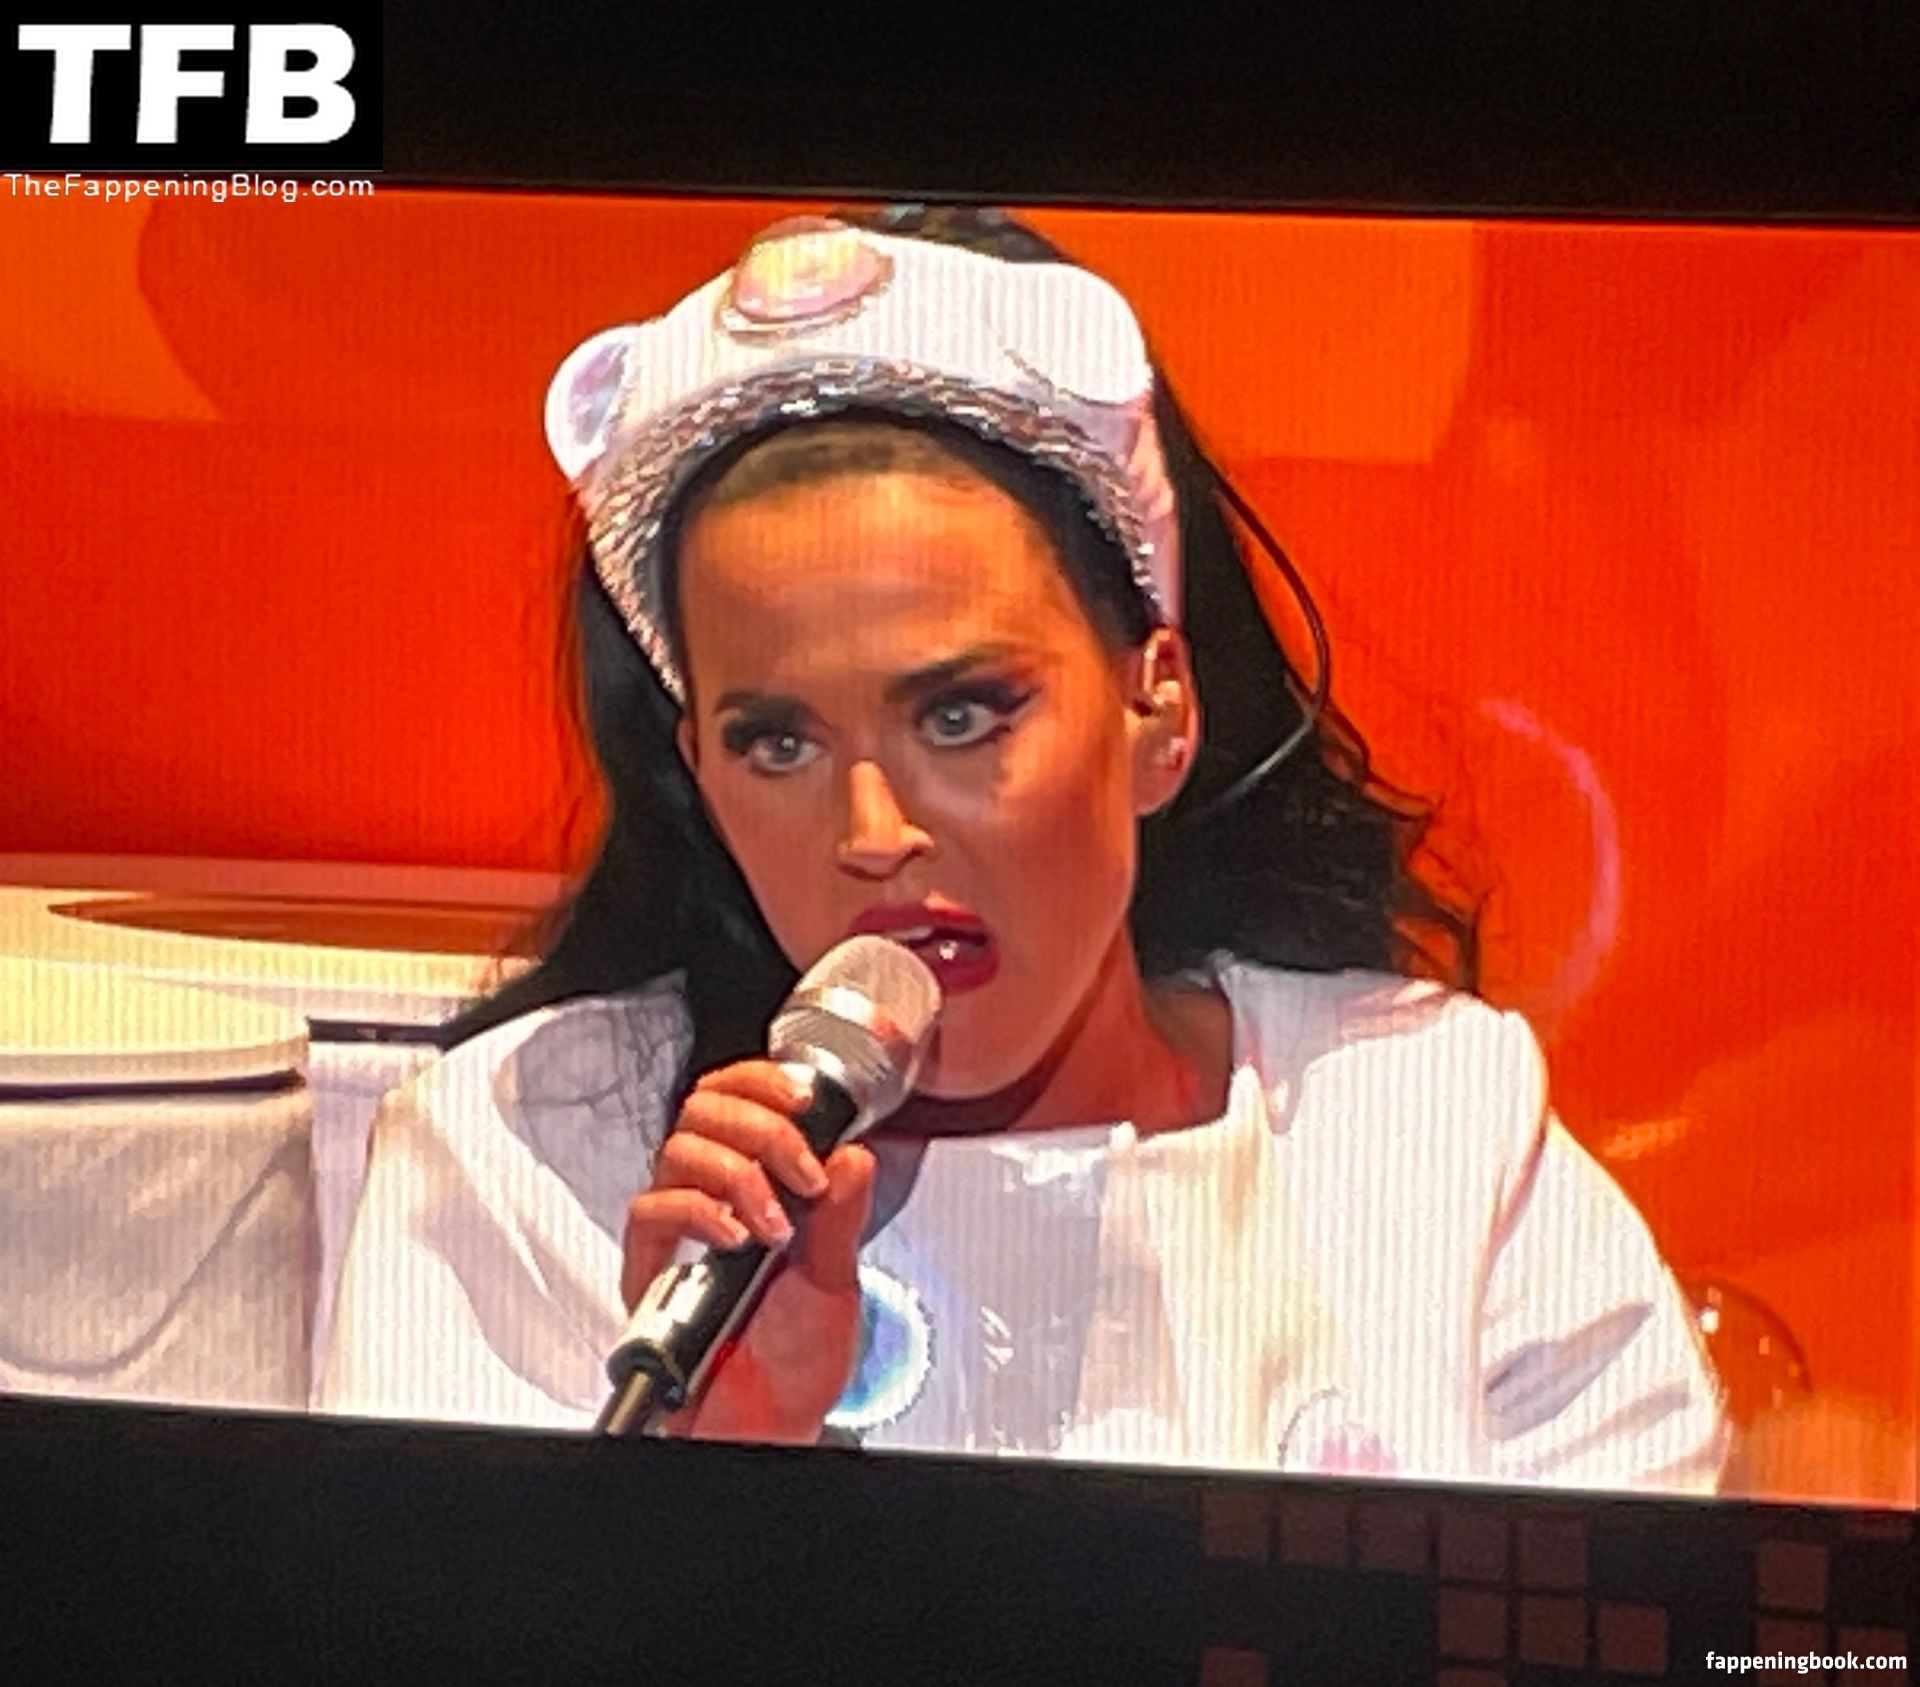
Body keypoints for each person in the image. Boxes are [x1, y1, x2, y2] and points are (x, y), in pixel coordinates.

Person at [320, 205, 1727, 1492]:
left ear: (1157, 709)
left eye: (961, 714)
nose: (874, 835)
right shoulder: (527, 1162)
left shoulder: (1426, 1123)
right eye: (778, 743)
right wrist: (728, 1476)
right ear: (698, 770)